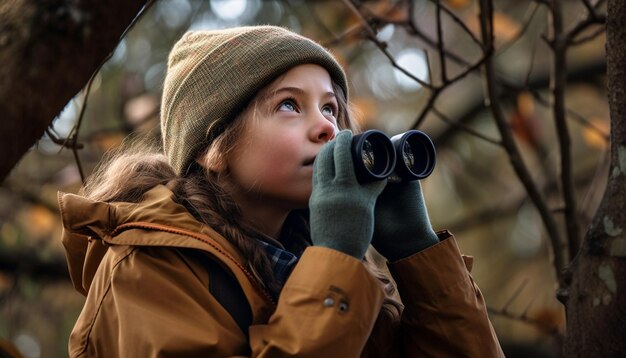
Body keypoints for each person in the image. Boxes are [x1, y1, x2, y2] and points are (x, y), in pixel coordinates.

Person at [58, 26, 503, 357]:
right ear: (214, 148)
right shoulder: (146, 268)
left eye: (331, 107)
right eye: (289, 105)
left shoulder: (346, 280)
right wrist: (336, 262)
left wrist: (418, 256)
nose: (327, 126)